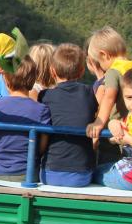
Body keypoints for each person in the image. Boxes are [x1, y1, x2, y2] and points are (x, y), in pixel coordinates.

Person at [85, 27, 132, 178]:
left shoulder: (113, 72)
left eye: (99, 61)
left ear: (104, 55)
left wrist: (98, 122)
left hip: (114, 135)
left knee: (107, 170)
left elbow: (109, 97)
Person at [0, 56, 51, 182]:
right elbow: (42, 147)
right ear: (33, 81)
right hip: (27, 173)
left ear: (6, 82)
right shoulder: (42, 110)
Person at [39, 43, 99, 187]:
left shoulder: (45, 95)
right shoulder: (88, 93)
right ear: (82, 71)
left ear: (52, 71)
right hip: (82, 175)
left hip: (49, 174)